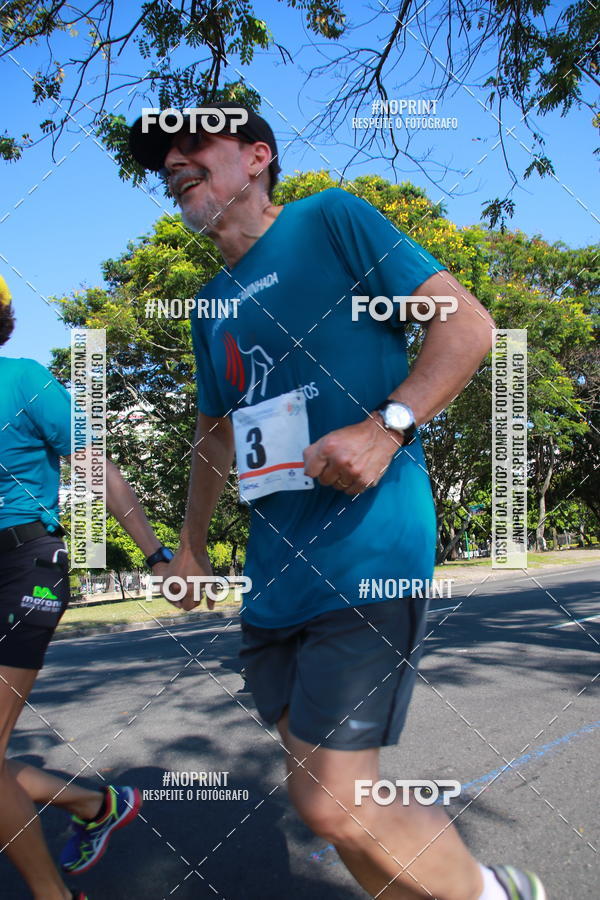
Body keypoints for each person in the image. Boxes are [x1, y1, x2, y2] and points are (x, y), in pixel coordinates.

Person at [128, 103, 547, 900]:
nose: (175, 162)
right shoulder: (209, 304)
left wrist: (386, 427)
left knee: (332, 803)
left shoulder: (331, 220)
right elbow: (216, 437)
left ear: (256, 158)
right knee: (328, 805)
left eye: (195, 145)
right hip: (273, 578)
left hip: (368, 550)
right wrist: (189, 547)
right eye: (163, 159)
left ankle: (499, 893)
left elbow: (466, 325)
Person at [0, 275, 174, 900]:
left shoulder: (24, 381)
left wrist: (157, 555)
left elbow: (97, 467)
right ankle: (95, 804)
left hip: (26, 569)